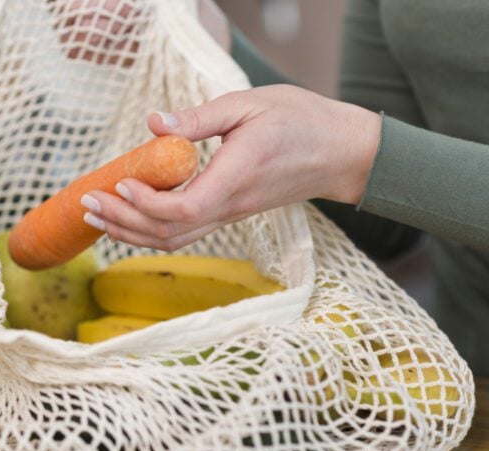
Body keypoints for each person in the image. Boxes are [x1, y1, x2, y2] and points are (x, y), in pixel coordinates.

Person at [78, 0, 489, 376]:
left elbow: (369, 159)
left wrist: (357, 154)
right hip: (461, 383)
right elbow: (388, 224)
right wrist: (204, 37)